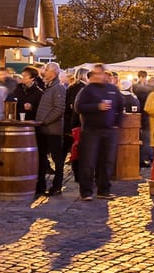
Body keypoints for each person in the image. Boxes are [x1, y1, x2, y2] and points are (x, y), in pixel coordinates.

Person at [73, 64, 123, 201]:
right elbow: (79, 107)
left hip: (109, 131)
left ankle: (104, 190)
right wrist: (97, 107)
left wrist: (116, 124)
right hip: (91, 131)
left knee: (107, 162)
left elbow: (120, 107)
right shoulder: (87, 90)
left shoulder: (112, 89)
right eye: (96, 73)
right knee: (88, 162)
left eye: (101, 73)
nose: (99, 76)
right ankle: (86, 191)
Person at [33, 62, 66, 196]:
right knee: (41, 158)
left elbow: (59, 109)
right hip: (44, 130)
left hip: (52, 130)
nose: (43, 72)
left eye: (46, 70)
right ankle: (40, 186)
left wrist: (45, 121)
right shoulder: (49, 87)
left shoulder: (58, 88)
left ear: (53, 73)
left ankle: (56, 186)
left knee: (57, 159)